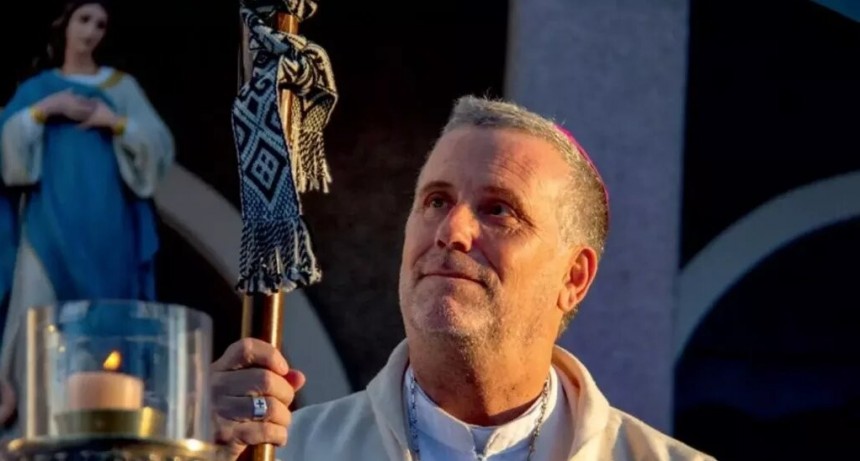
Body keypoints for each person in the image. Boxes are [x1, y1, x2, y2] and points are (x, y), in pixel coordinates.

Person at [211, 96, 715, 460]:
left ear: (573, 278)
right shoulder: (286, 452)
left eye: (498, 210)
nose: (451, 231)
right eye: (436, 201)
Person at [0, 0, 174, 432]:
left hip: (106, 227)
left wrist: (115, 122)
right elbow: (8, 149)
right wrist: (45, 109)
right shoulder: (41, 88)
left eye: (100, 24)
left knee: (106, 314)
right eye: (84, 19)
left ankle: (98, 419)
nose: (91, 30)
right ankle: (29, 423)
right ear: (64, 25)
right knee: (35, 312)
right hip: (48, 224)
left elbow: (158, 146)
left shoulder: (120, 87)